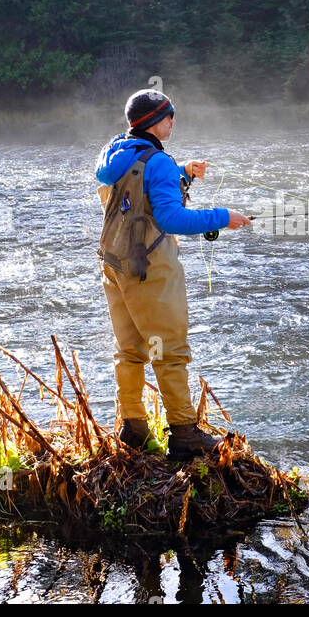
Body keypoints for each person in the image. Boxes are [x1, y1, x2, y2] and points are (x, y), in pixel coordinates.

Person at [95, 89, 251, 458]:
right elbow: (169, 218)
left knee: (130, 349)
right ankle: (183, 434)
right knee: (169, 350)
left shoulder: (115, 152)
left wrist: (182, 173)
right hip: (149, 268)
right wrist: (222, 217)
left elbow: (136, 189)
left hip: (114, 264)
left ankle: (132, 429)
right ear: (153, 121)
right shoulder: (158, 161)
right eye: (169, 116)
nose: (173, 122)